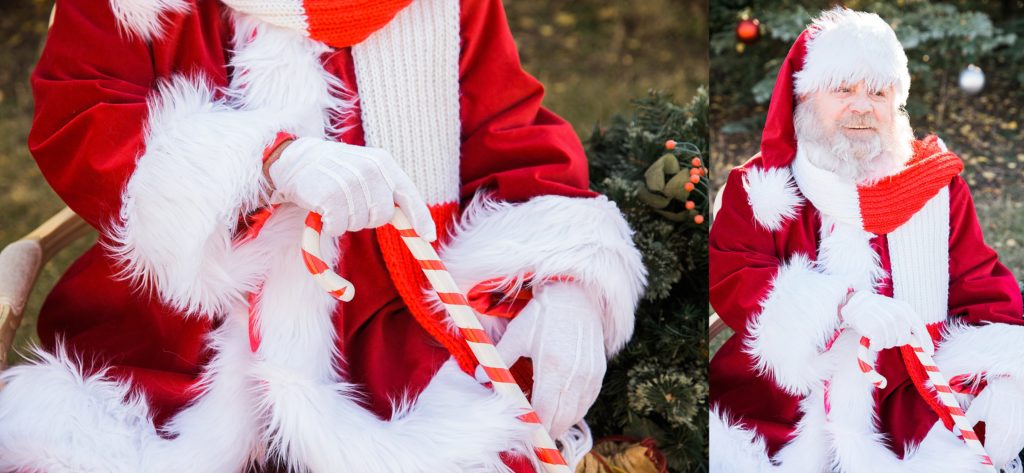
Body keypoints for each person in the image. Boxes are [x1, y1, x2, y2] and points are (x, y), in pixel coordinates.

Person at [0, 1, 646, 471]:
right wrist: (264, 163)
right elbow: (85, 113)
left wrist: (569, 280)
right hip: (177, 334)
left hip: (389, 326)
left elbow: (507, 132)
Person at [709, 8, 1024, 473]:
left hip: (908, 392)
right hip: (784, 395)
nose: (862, 106)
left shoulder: (935, 185)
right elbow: (734, 273)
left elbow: (978, 282)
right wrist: (839, 306)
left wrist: (1003, 374)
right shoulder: (763, 187)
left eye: (877, 92)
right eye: (844, 89)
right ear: (806, 96)